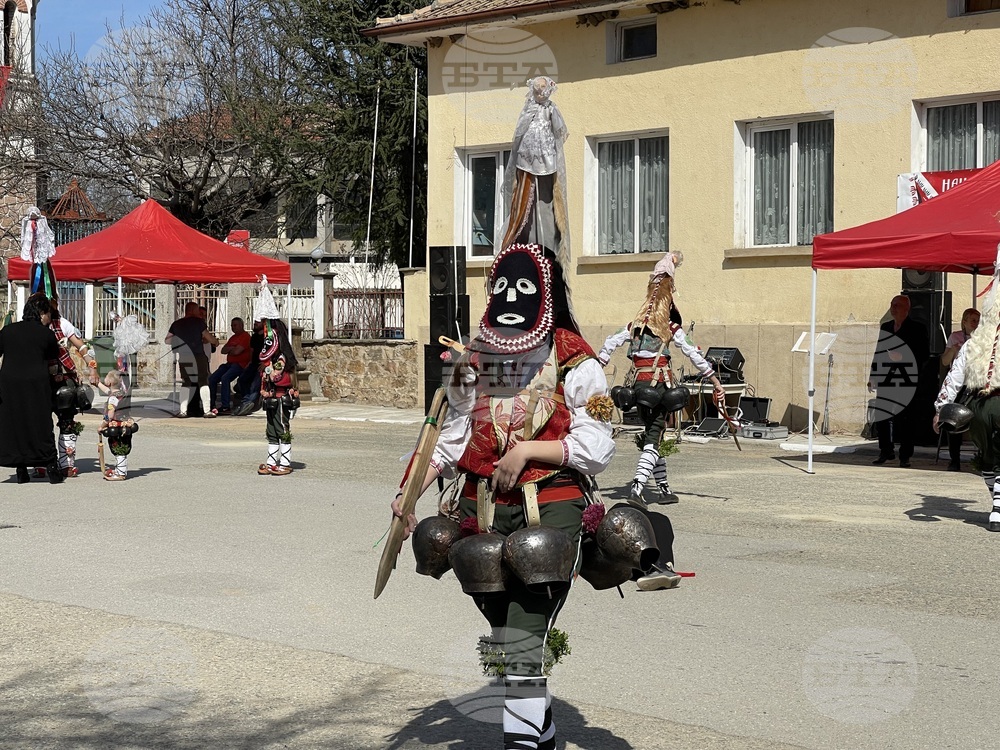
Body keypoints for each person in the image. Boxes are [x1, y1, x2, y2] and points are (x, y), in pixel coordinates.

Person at [392, 243, 615, 750]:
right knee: (502, 625)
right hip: (483, 510)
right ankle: (541, 725)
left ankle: (522, 739)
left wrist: (531, 450)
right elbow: (449, 438)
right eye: (503, 288)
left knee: (523, 626)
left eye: (524, 289)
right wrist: (409, 497)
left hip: (551, 503)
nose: (511, 298)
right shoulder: (476, 359)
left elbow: (599, 445)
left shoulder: (572, 358)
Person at [597, 251, 725, 508]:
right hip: (658, 387)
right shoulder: (670, 328)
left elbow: (608, 344)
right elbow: (694, 354)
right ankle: (636, 487)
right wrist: (714, 380)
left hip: (637, 388)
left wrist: (598, 366)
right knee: (654, 435)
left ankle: (664, 488)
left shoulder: (632, 326)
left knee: (654, 433)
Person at [0, 294, 63, 484]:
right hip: (36, 384)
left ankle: (21, 470)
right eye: (48, 314)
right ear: (42, 313)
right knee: (40, 424)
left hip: (9, 384)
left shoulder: (8, 330)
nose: (50, 319)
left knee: (15, 424)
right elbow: (53, 359)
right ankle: (51, 467)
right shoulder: (46, 334)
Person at [868, 294, 929, 468]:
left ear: (906, 309)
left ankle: (905, 455)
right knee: (882, 415)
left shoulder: (917, 328)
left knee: (905, 419)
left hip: (905, 379)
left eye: (897, 305)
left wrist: (903, 357)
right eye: (892, 304)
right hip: (886, 377)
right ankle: (885, 450)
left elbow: (924, 354)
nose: (893, 308)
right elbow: (879, 352)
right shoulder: (886, 327)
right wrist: (873, 376)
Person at [253, 278, 299, 475]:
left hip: (281, 397)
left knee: (282, 428)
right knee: (271, 430)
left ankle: (285, 461)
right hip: (271, 397)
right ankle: (272, 460)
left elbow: (276, 376)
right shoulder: (270, 357)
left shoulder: (281, 357)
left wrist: (268, 371)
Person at [941, 307, 980, 471]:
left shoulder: (982, 338)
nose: (976, 324)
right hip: (959, 385)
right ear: (964, 321)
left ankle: (981, 458)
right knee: (954, 421)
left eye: (978, 321)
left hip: (976, 384)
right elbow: (944, 362)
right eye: (973, 320)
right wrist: (954, 350)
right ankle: (954, 459)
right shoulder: (955, 336)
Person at [166, 301, 218, 418]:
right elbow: (208, 337)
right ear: (192, 310)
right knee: (203, 381)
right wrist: (215, 341)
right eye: (196, 310)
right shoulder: (199, 322)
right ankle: (207, 411)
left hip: (184, 356)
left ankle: (183, 411)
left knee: (186, 382)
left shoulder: (176, 324)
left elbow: (167, 340)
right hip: (198, 355)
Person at [96, 369, 137, 481]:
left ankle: (121, 473)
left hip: (116, 425)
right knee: (121, 446)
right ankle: (120, 470)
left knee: (118, 447)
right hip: (124, 424)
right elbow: (107, 391)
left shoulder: (113, 398)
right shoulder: (121, 393)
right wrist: (97, 383)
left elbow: (110, 415)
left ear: (109, 382)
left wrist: (103, 425)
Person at [207, 317, 251, 415]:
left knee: (225, 378)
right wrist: (232, 348)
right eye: (231, 325)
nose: (233, 327)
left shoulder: (245, 337)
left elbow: (236, 352)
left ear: (241, 325)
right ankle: (211, 404)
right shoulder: (233, 338)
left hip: (240, 364)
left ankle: (226, 406)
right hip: (229, 364)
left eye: (235, 325)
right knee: (212, 378)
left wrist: (230, 349)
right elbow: (223, 350)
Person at [233, 319, 265, 416]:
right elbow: (252, 350)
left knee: (255, 384)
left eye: (257, 322)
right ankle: (246, 400)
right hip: (254, 363)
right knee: (242, 379)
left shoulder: (268, 337)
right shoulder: (254, 337)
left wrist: (266, 363)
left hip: (263, 364)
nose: (255, 324)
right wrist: (250, 362)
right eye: (254, 322)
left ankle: (249, 402)